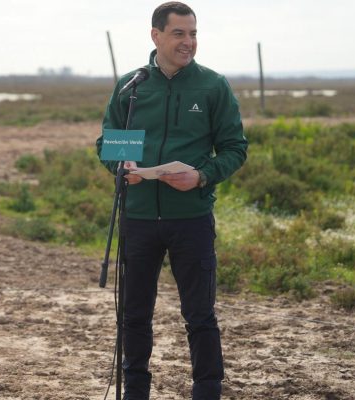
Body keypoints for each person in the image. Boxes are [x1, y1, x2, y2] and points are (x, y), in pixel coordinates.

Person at [95, 2, 248, 399]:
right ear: (156, 36)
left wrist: (201, 175)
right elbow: (109, 142)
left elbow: (234, 148)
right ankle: (135, 392)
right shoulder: (132, 87)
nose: (189, 42)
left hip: (191, 218)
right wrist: (120, 164)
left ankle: (207, 390)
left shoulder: (213, 86)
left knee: (200, 316)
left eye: (193, 33)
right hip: (139, 217)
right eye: (179, 33)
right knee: (133, 316)